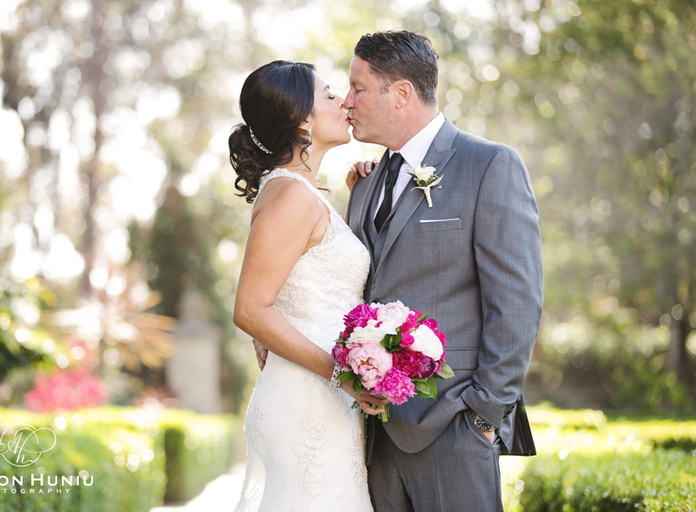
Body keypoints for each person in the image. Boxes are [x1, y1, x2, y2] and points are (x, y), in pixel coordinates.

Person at [343, 31, 543, 511]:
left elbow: (516, 302)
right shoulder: (366, 184)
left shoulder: (489, 165)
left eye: (358, 88)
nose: (347, 102)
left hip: (455, 427)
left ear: (402, 94)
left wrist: (483, 416)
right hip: (373, 435)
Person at [229, 60, 387, 512]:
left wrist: (359, 190)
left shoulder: (300, 191)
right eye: (330, 93)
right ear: (302, 118)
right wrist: (343, 374)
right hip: (308, 401)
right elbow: (250, 309)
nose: (343, 101)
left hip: (319, 397)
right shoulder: (292, 195)